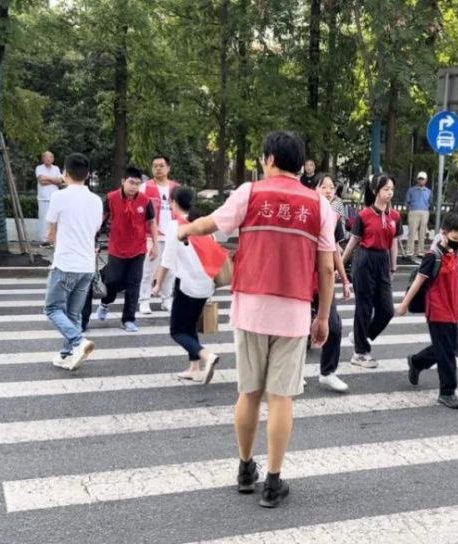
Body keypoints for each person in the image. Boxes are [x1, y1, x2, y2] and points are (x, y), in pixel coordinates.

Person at [175, 130, 335, 509]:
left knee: (249, 392)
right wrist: (323, 317)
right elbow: (326, 268)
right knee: (281, 397)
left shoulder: (251, 193)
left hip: (249, 306)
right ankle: (273, 483)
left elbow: (210, 224)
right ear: (300, 164)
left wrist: (183, 229)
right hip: (294, 310)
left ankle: (246, 469)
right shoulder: (319, 205)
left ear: (268, 159)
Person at [396, 212, 458, 409]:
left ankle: (417, 362)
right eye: (455, 238)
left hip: (452, 308)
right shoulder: (433, 256)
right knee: (446, 352)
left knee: (446, 346)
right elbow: (418, 281)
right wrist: (404, 304)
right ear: (443, 233)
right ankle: (447, 392)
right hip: (437, 310)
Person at [153, 187, 223, 383]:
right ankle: (194, 368)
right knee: (190, 326)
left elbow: (167, 260)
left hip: (186, 285)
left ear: (174, 203)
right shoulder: (202, 224)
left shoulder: (176, 226)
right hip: (205, 285)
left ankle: (206, 355)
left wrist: (157, 284)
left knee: (177, 331)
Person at [43, 153, 103, 371]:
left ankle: (78, 341)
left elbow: (50, 233)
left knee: (52, 308)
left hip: (65, 263)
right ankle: (67, 354)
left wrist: (57, 243)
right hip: (87, 265)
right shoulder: (96, 200)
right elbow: (95, 229)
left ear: (65, 174)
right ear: (87, 175)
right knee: (74, 313)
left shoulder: (59, 197)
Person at [342, 173, 399, 368]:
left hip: (383, 260)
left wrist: (393, 266)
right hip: (364, 260)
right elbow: (353, 242)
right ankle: (360, 352)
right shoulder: (364, 215)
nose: (390, 193)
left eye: (391, 189)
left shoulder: (395, 216)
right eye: (386, 189)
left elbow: (394, 243)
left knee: (387, 310)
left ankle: (362, 336)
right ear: (376, 191)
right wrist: (340, 266)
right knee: (364, 307)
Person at [94, 167, 159, 332]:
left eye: (137, 184)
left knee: (133, 284)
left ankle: (128, 319)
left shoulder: (145, 201)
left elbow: (151, 223)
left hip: (138, 248)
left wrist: (156, 245)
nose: (134, 187)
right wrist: (92, 240)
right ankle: (105, 302)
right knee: (113, 280)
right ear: (123, 182)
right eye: (131, 182)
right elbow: (100, 219)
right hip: (116, 247)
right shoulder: (111, 198)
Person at [313, 174, 353, 392]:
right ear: (313, 188)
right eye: (323, 187)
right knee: (298, 329)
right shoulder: (307, 214)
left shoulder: (333, 217)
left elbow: (334, 250)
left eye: (332, 188)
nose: (329, 191)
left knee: (334, 326)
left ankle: (327, 372)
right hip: (303, 279)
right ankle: (295, 373)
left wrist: (345, 279)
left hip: (324, 280)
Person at [138, 154, 179, 315]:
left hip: (172, 235)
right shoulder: (145, 187)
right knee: (148, 269)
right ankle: (144, 300)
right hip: (151, 235)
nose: (158, 168)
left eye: (161, 165)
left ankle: (166, 299)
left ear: (168, 168)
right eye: (155, 166)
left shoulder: (176, 188)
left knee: (171, 270)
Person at [36, 151, 64, 248]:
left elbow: (60, 181)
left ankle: (53, 240)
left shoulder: (56, 168)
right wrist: (54, 180)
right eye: (47, 157)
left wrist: (47, 178)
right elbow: (42, 182)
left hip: (55, 198)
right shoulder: (39, 168)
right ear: (43, 158)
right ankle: (44, 241)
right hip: (43, 198)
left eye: (51, 157)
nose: (49, 159)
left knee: (54, 219)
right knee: (44, 220)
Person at [406, 172, 432, 262]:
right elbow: (407, 202)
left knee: (422, 233)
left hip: (425, 212)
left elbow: (430, 202)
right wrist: (410, 210)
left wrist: (426, 209)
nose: (421, 180)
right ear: (417, 179)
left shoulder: (429, 191)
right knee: (412, 232)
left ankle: (420, 252)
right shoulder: (411, 190)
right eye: (420, 178)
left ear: (426, 180)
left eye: (423, 179)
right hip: (413, 211)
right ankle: (409, 252)